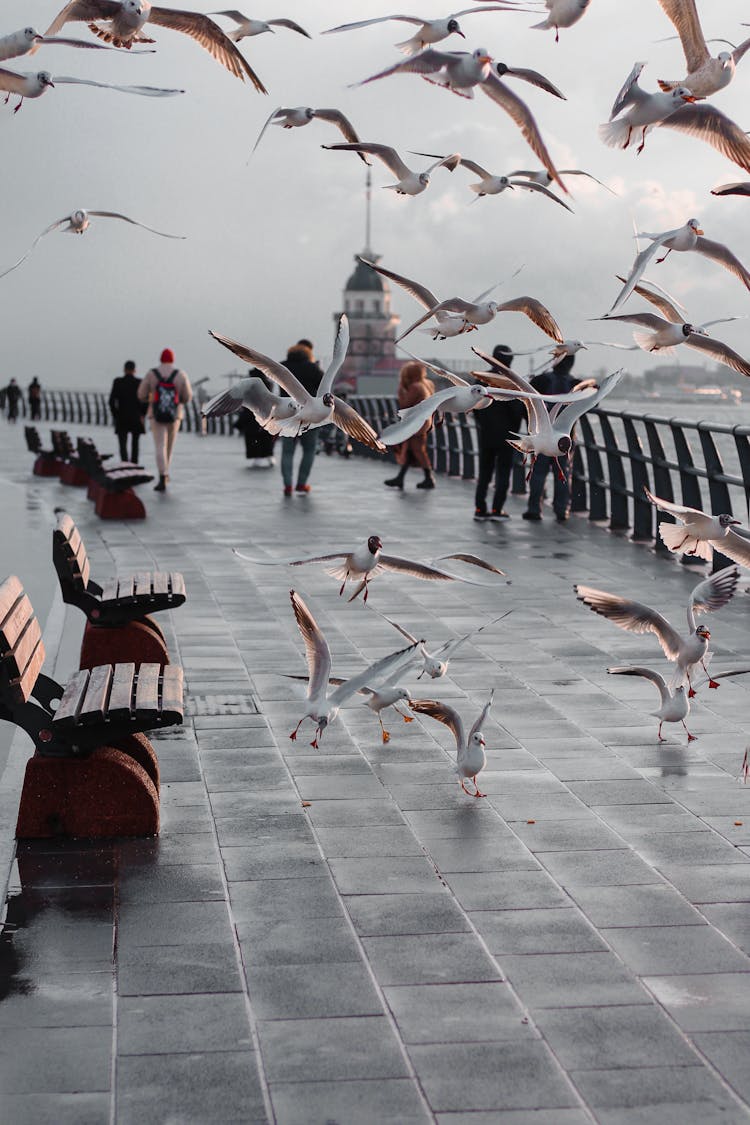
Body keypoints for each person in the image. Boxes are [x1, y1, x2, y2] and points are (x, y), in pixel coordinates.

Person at [523, 353, 580, 523]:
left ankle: (534, 508)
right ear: (571, 364)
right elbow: (594, 403)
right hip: (564, 440)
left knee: (538, 473)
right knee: (562, 474)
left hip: (542, 437)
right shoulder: (575, 384)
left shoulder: (540, 381)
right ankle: (561, 510)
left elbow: (527, 403)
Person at [473, 344, 525, 521]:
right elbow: (518, 408)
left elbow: (474, 406)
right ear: (509, 360)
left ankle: (480, 508)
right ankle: (497, 509)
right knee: (503, 473)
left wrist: (483, 423)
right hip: (507, 435)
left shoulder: (480, 380)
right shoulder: (513, 382)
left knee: (485, 472)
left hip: (486, 433)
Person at [138, 348, 193, 492]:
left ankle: (162, 475)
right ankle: (166, 472)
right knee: (169, 446)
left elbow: (140, 394)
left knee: (159, 446)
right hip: (174, 415)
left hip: (155, 415)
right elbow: (187, 397)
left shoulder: (152, 374)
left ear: (160, 358)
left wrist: (151, 398)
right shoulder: (180, 374)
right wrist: (177, 401)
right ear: (172, 359)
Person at [278, 340, 324, 496]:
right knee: (309, 449)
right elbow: (324, 390)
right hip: (309, 414)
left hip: (287, 413)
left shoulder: (283, 367)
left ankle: (287, 486)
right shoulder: (313, 369)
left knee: (287, 452)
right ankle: (301, 484)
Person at [385, 361, 436, 491]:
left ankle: (429, 478)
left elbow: (405, 405)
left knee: (418, 450)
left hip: (416, 423)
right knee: (410, 449)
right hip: (423, 421)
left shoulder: (415, 387)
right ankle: (400, 478)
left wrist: (401, 392)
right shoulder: (427, 384)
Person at [236, 367, 277, 467]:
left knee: (253, 438)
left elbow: (243, 400)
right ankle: (269, 456)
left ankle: (256, 457)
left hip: (251, 416)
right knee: (267, 438)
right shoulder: (269, 385)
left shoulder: (248, 387)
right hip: (267, 416)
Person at [109, 361, 146, 464]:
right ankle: (134, 465)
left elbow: (111, 401)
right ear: (135, 370)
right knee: (135, 444)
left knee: (122, 445)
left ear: (124, 369)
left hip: (122, 417)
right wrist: (142, 414)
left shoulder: (118, 382)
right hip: (136, 417)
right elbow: (145, 401)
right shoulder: (140, 382)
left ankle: (124, 464)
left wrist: (115, 415)